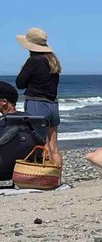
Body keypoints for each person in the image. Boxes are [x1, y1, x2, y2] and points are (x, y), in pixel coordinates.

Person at [15, 27, 63, 167]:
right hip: (53, 105)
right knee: (54, 147)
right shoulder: (53, 61)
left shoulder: (33, 61)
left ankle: (45, 178)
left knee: (43, 145)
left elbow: (20, 83)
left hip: (37, 104)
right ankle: (57, 177)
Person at [0, 81, 46, 183]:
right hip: (28, 171)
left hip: (3, 172)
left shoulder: (3, 123)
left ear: (4, 101)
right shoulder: (32, 120)